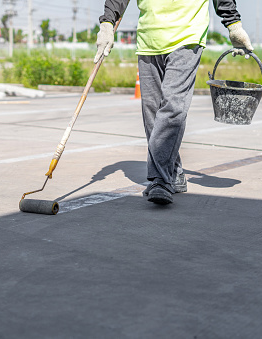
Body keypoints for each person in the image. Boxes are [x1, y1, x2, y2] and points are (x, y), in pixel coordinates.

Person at [95, 0, 253, 205]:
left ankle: (161, 180)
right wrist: (107, 23)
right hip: (149, 38)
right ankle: (174, 173)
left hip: (188, 35)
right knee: (152, 113)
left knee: (172, 108)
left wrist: (234, 25)